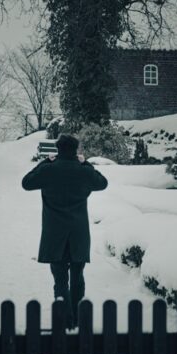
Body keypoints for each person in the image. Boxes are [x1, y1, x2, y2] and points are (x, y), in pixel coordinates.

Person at [22, 133, 107, 329]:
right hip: (78, 233)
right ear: (76, 150)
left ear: (57, 149)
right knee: (77, 277)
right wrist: (85, 163)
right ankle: (77, 318)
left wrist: (46, 162)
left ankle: (64, 319)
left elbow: (26, 183)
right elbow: (102, 183)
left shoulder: (49, 170)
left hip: (54, 233)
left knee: (60, 279)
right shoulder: (83, 171)